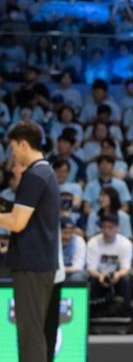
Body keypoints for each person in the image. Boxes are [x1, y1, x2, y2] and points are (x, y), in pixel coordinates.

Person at [0, 120, 60, 362]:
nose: (13, 154)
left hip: (32, 265)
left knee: (30, 335)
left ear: (24, 144)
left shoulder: (35, 175)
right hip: (38, 264)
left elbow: (17, 222)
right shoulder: (44, 172)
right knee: (31, 333)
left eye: (14, 147)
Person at [86, 213, 133, 308]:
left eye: (110, 227)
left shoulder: (126, 243)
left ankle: (126, 309)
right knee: (93, 282)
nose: (107, 230)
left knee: (126, 280)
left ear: (117, 228)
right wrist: (100, 276)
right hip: (98, 275)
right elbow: (91, 269)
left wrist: (118, 274)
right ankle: (94, 311)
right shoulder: (93, 242)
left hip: (118, 274)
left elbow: (126, 268)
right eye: (104, 227)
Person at [61, 217, 87, 282]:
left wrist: (61, 270)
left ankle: (71, 290)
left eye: (70, 232)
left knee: (78, 277)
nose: (68, 236)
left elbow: (78, 266)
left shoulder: (79, 241)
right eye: (65, 232)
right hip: (55, 273)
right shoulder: (53, 242)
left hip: (71, 272)